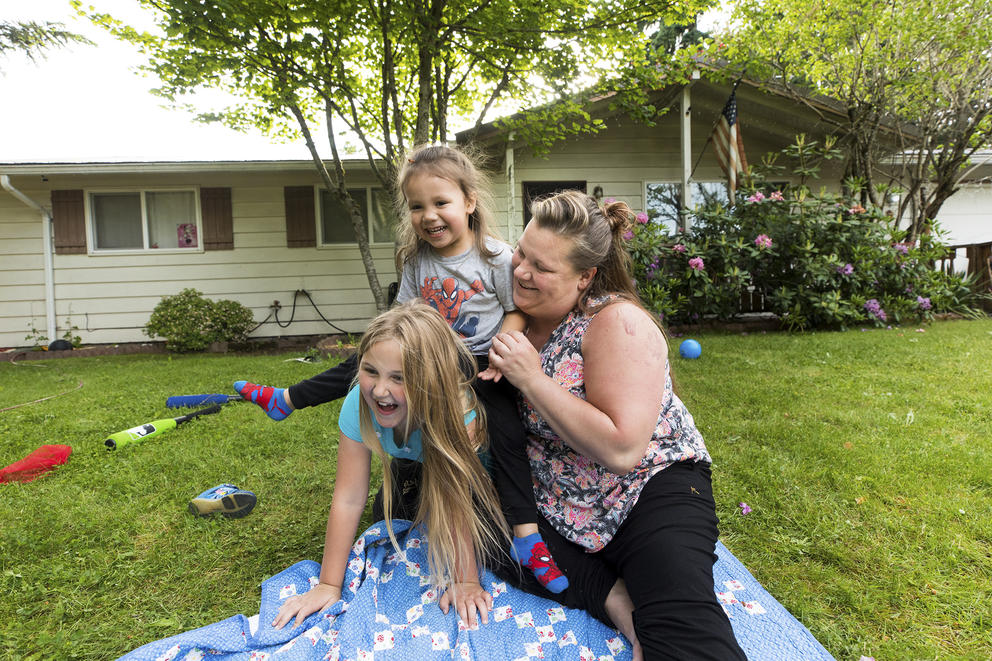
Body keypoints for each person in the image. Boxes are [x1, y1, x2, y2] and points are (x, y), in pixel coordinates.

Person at [236, 144, 567, 593]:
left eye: (440, 203)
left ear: (469, 202)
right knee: (361, 368)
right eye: (417, 206)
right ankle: (287, 398)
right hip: (417, 357)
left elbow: (516, 311)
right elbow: (401, 313)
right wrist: (385, 353)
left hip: (477, 362)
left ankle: (527, 534)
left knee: (505, 427)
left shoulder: (495, 257)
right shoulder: (417, 260)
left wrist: (502, 351)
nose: (428, 215)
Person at [486, 191, 747, 660]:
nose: (521, 270)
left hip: (648, 488)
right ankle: (611, 597)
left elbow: (623, 451)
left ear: (585, 276)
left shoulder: (616, 322)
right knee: (476, 528)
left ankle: (641, 602)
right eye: (522, 252)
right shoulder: (514, 322)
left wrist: (531, 378)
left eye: (542, 268)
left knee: (682, 631)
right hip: (555, 499)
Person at [272, 301, 508, 630]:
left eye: (399, 377)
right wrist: (328, 585)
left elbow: (454, 500)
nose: (380, 389)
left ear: (432, 381)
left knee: (495, 552)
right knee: (390, 517)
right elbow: (348, 497)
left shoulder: (458, 416)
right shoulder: (359, 403)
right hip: (416, 462)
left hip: (481, 479)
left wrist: (466, 580)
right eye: (371, 371)